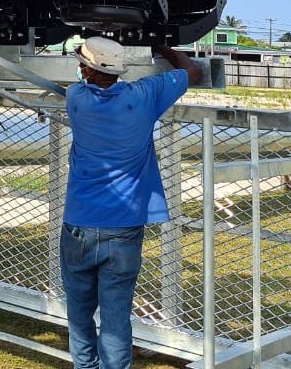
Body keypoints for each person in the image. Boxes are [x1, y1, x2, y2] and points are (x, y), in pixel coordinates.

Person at [62, 37, 203, 369]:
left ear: (86, 69)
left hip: (79, 225)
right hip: (124, 227)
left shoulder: (76, 98)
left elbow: (86, 79)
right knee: (115, 318)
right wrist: (161, 45)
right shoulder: (145, 96)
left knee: (79, 314)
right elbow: (192, 70)